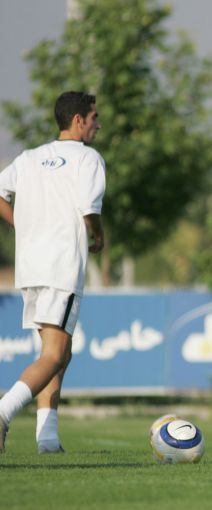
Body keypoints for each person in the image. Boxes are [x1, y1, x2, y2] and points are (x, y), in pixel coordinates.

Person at [0, 91, 105, 454]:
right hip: (62, 265)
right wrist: (99, 234)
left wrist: (22, 226)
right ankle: (3, 411)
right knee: (54, 356)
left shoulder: (29, 157)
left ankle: (47, 438)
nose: (98, 125)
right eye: (94, 118)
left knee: (60, 351)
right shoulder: (88, 158)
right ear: (78, 120)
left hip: (31, 267)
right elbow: (89, 209)